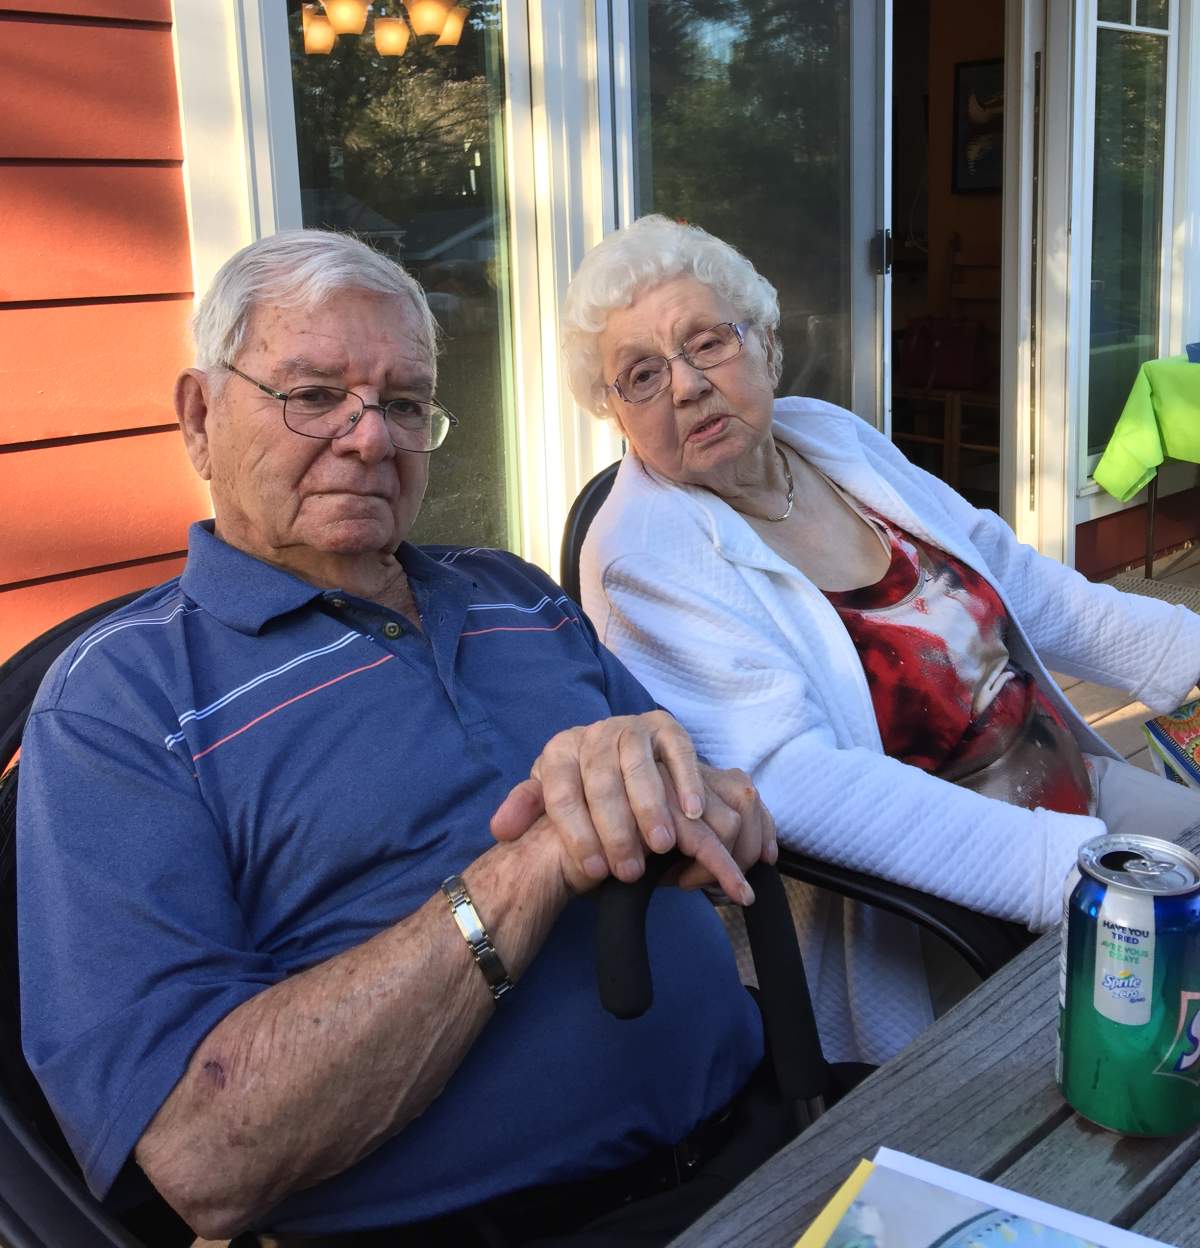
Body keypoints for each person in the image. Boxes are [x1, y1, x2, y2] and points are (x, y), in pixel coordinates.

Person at [17, 228, 784, 1248]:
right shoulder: (122, 705)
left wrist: (705, 800)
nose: (370, 437)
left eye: (404, 403)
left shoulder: (515, 593)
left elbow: (695, 799)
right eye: (313, 395)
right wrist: (534, 863)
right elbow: (204, 1153)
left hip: (769, 1139)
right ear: (201, 416)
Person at [563, 214, 1200, 1068]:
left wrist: (1186, 654)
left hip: (1077, 788)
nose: (684, 386)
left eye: (707, 343)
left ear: (768, 345)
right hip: (956, 903)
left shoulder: (825, 435)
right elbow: (792, 778)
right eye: (642, 375)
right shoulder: (643, 554)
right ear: (615, 412)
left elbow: (1009, 572)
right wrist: (1076, 872)